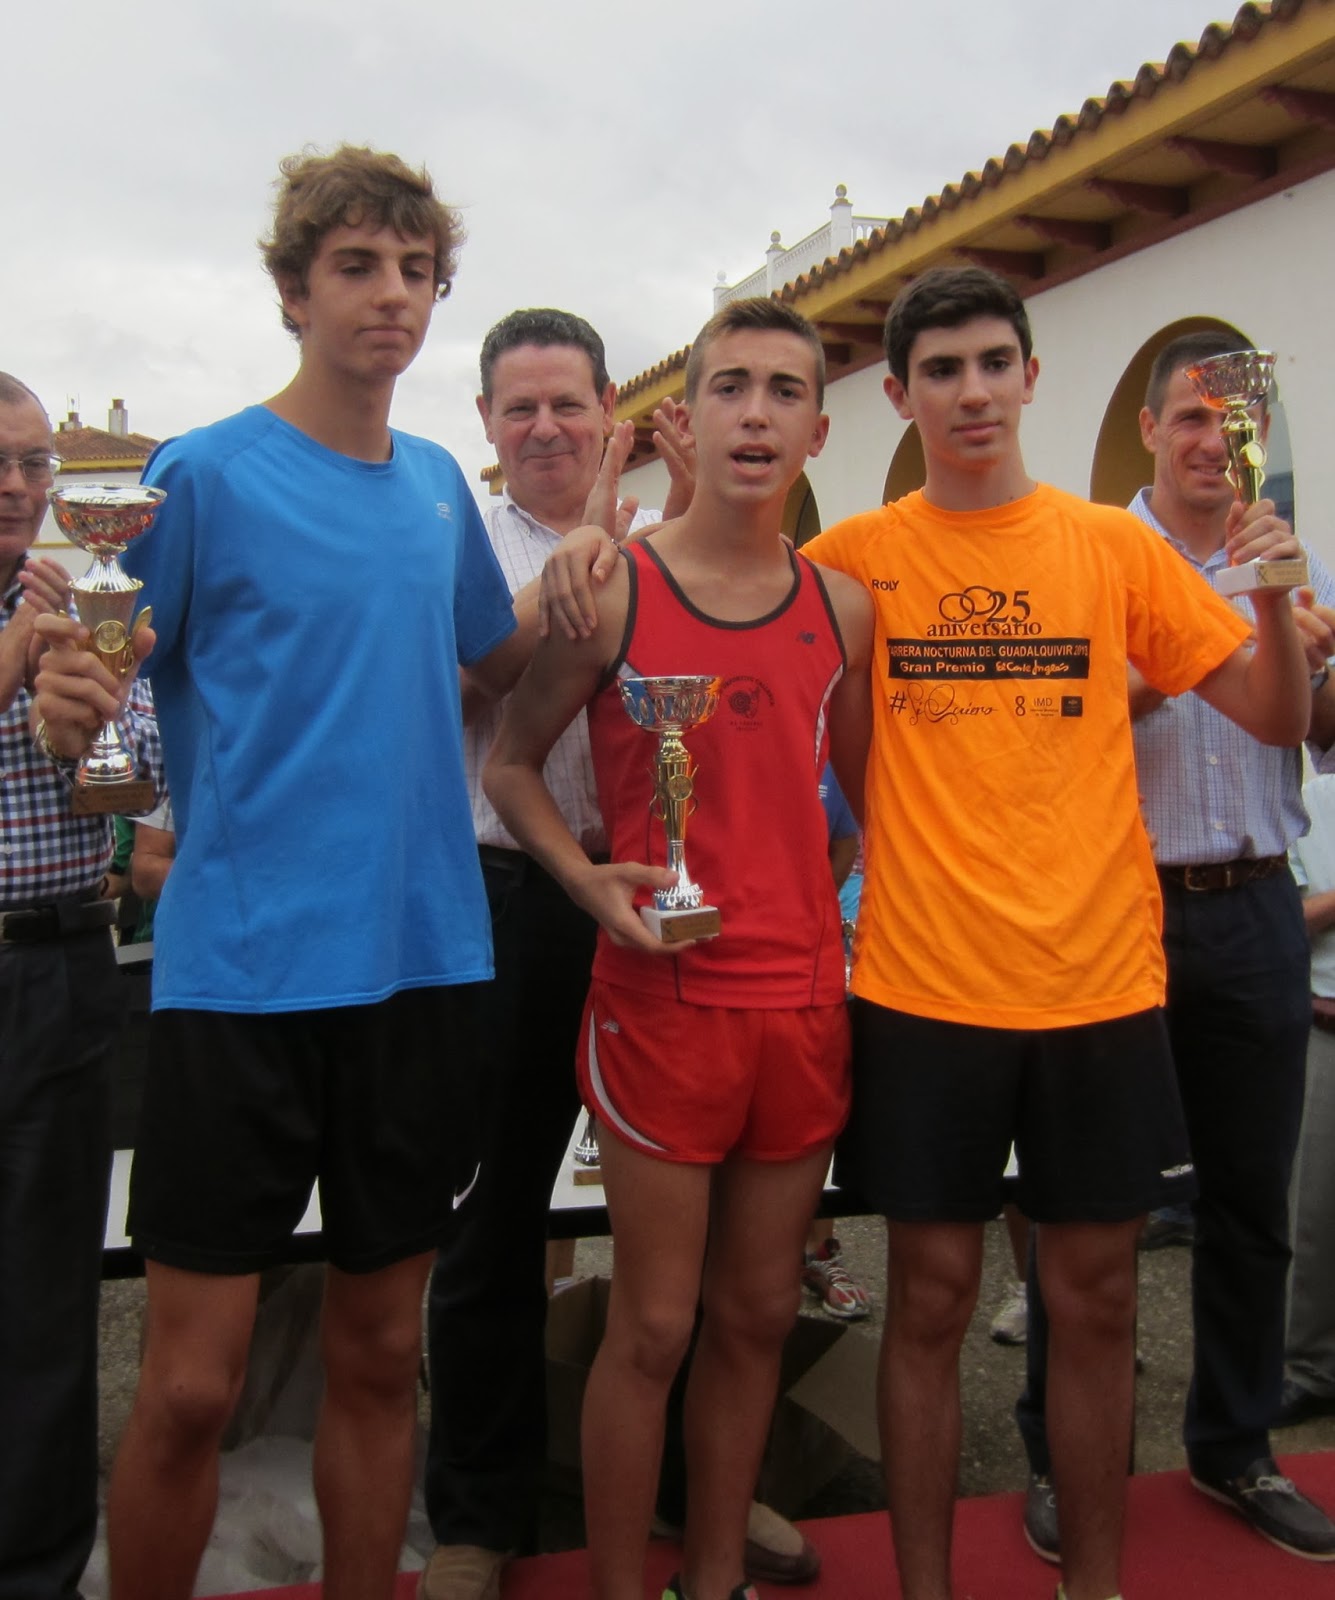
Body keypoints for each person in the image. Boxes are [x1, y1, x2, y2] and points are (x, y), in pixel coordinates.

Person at [737, 270, 1306, 1600]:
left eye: (994, 361)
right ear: (900, 395)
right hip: (923, 987)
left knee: (1094, 1300)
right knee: (930, 1300)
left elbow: (1275, 717)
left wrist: (1275, 595)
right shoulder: (852, 557)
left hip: (1097, 985)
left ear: (1031, 377)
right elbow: (748, 645)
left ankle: (1092, 1588)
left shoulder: (1113, 549)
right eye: (941, 370)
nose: (973, 391)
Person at [34, 145, 523, 1600]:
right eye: (357, 266)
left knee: (374, 1356)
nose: (393, 295)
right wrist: (68, 709)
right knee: (194, 1383)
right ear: (293, 292)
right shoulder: (200, 474)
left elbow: (499, 669)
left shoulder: (438, 486)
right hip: (240, 975)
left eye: (416, 271)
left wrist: (603, 573)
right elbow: (108, 677)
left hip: (421, 965)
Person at [484, 297, 873, 1600]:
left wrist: (819, 910)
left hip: (799, 1006)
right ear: (685, 421)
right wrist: (587, 878)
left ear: (818, 428)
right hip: (661, 1004)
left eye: (783, 391)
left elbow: (862, 805)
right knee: (652, 1323)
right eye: (729, 388)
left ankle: (711, 1577)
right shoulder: (612, 589)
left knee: (757, 1314)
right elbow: (511, 765)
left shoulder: (844, 609)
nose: (755, 414)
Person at [1015, 330, 1335, 1568]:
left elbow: (1317, 734)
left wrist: (1301, 638)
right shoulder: (1092, 556)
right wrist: (1200, 639)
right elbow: (1056, 724)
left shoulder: (1286, 558)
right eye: (1191, 417)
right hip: (1118, 911)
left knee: (1251, 1206)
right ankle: (1060, 1456)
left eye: (1233, 419)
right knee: (1086, 1209)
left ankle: (1234, 1445)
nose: (1213, 442)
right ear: (1148, 429)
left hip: (1254, 906)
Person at [420, 306, 694, 1600]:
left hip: (650, 895)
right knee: (496, 1212)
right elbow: (453, 690)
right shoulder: (456, 542)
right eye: (518, 407)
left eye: (566, 404)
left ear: (606, 413)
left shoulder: (669, 542)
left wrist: (659, 534)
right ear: (485, 421)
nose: (543, 427)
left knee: (677, 1211)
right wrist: (574, 561)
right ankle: (481, 1514)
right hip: (506, 896)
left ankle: (695, 1485)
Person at [0, 375, 159, 1600]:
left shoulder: (87, 605)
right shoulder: (32, 623)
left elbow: (143, 773)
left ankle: (37, 1570)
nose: (18, 486)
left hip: (55, 966)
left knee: (43, 1301)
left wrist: (87, 725)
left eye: (35, 463)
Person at [1280, 761, 1335, 1427]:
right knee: (1313, 1214)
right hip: (1325, 1021)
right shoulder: (1313, 801)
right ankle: (1309, 1366)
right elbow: (1284, 921)